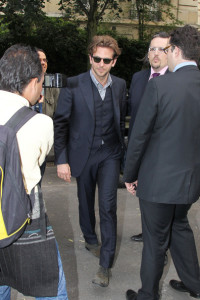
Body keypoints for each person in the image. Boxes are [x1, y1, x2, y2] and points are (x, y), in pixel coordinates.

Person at [123, 24, 200, 300]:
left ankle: (147, 295)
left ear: (176, 50)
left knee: (155, 240)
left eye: (167, 49)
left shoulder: (160, 86)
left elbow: (138, 137)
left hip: (157, 184)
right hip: (190, 184)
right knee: (179, 227)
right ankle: (195, 284)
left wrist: (129, 175)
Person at [54, 35, 126, 287]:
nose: (101, 64)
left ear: (114, 62)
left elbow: (118, 122)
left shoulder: (119, 85)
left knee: (108, 206)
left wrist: (125, 158)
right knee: (85, 201)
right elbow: (60, 123)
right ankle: (90, 238)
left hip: (110, 154)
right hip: (83, 154)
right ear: (90, 58)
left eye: (107, 60)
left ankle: (104, 266)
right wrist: (61, 159)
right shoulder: (73, 84)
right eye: (97, 58)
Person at [0, 44, 68, 300]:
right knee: (52, 289)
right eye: (41, 82)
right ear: (32, 82)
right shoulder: (40, 122)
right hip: (23, 221)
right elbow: (38, 160)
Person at [128, 32, 170, 246]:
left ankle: (158, 246)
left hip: (163, 154)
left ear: (171, 52)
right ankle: (148, 232)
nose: (156, 53)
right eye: (152, 49)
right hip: (139, 150)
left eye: (162, 49)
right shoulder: (138, 78)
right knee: (143, 196)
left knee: (161, 203)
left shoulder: (174, 80)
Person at [35, 48, 60, 118]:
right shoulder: (25, 84)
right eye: (39, 60)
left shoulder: (52, 84)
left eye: (44, 60)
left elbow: (58, 114)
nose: (43, 63)